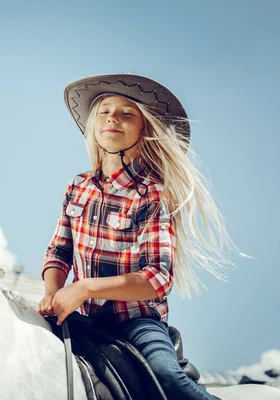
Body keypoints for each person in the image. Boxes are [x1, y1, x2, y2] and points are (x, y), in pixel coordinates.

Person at [38, 73, 238, 400]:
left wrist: (85, 288)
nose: (112, 118)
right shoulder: (77, 187)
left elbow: (157, 278)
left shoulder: (152, 194)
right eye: (104, 111)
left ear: (145, 129)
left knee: (167, 378)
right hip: (84, 320)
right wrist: (52, 293)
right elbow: (59, 251)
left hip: (137, 322)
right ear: (93, 126)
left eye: (127, 113)